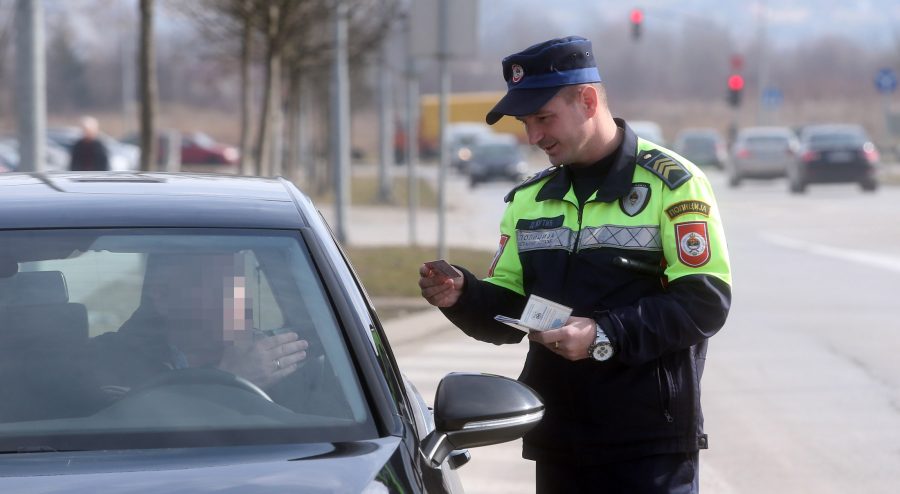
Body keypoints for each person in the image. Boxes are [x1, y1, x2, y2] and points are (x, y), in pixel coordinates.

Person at [418, 36, 731, 493]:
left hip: (649, 446)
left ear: (587, 101)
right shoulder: (528, 199)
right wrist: (464, 294)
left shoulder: (674, 185)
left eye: (544, 118)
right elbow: (512, 313)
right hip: (560, 442)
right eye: (526, 123)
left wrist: (602, 334)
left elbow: (704, 304)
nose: (534, 136)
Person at [90, 253, 309, 395]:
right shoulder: (110, 363)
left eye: (238, 282)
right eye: (218, 287)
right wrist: (229, 381)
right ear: (162, 296)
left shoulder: (274, 360)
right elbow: (138, 435)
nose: (237, 298)